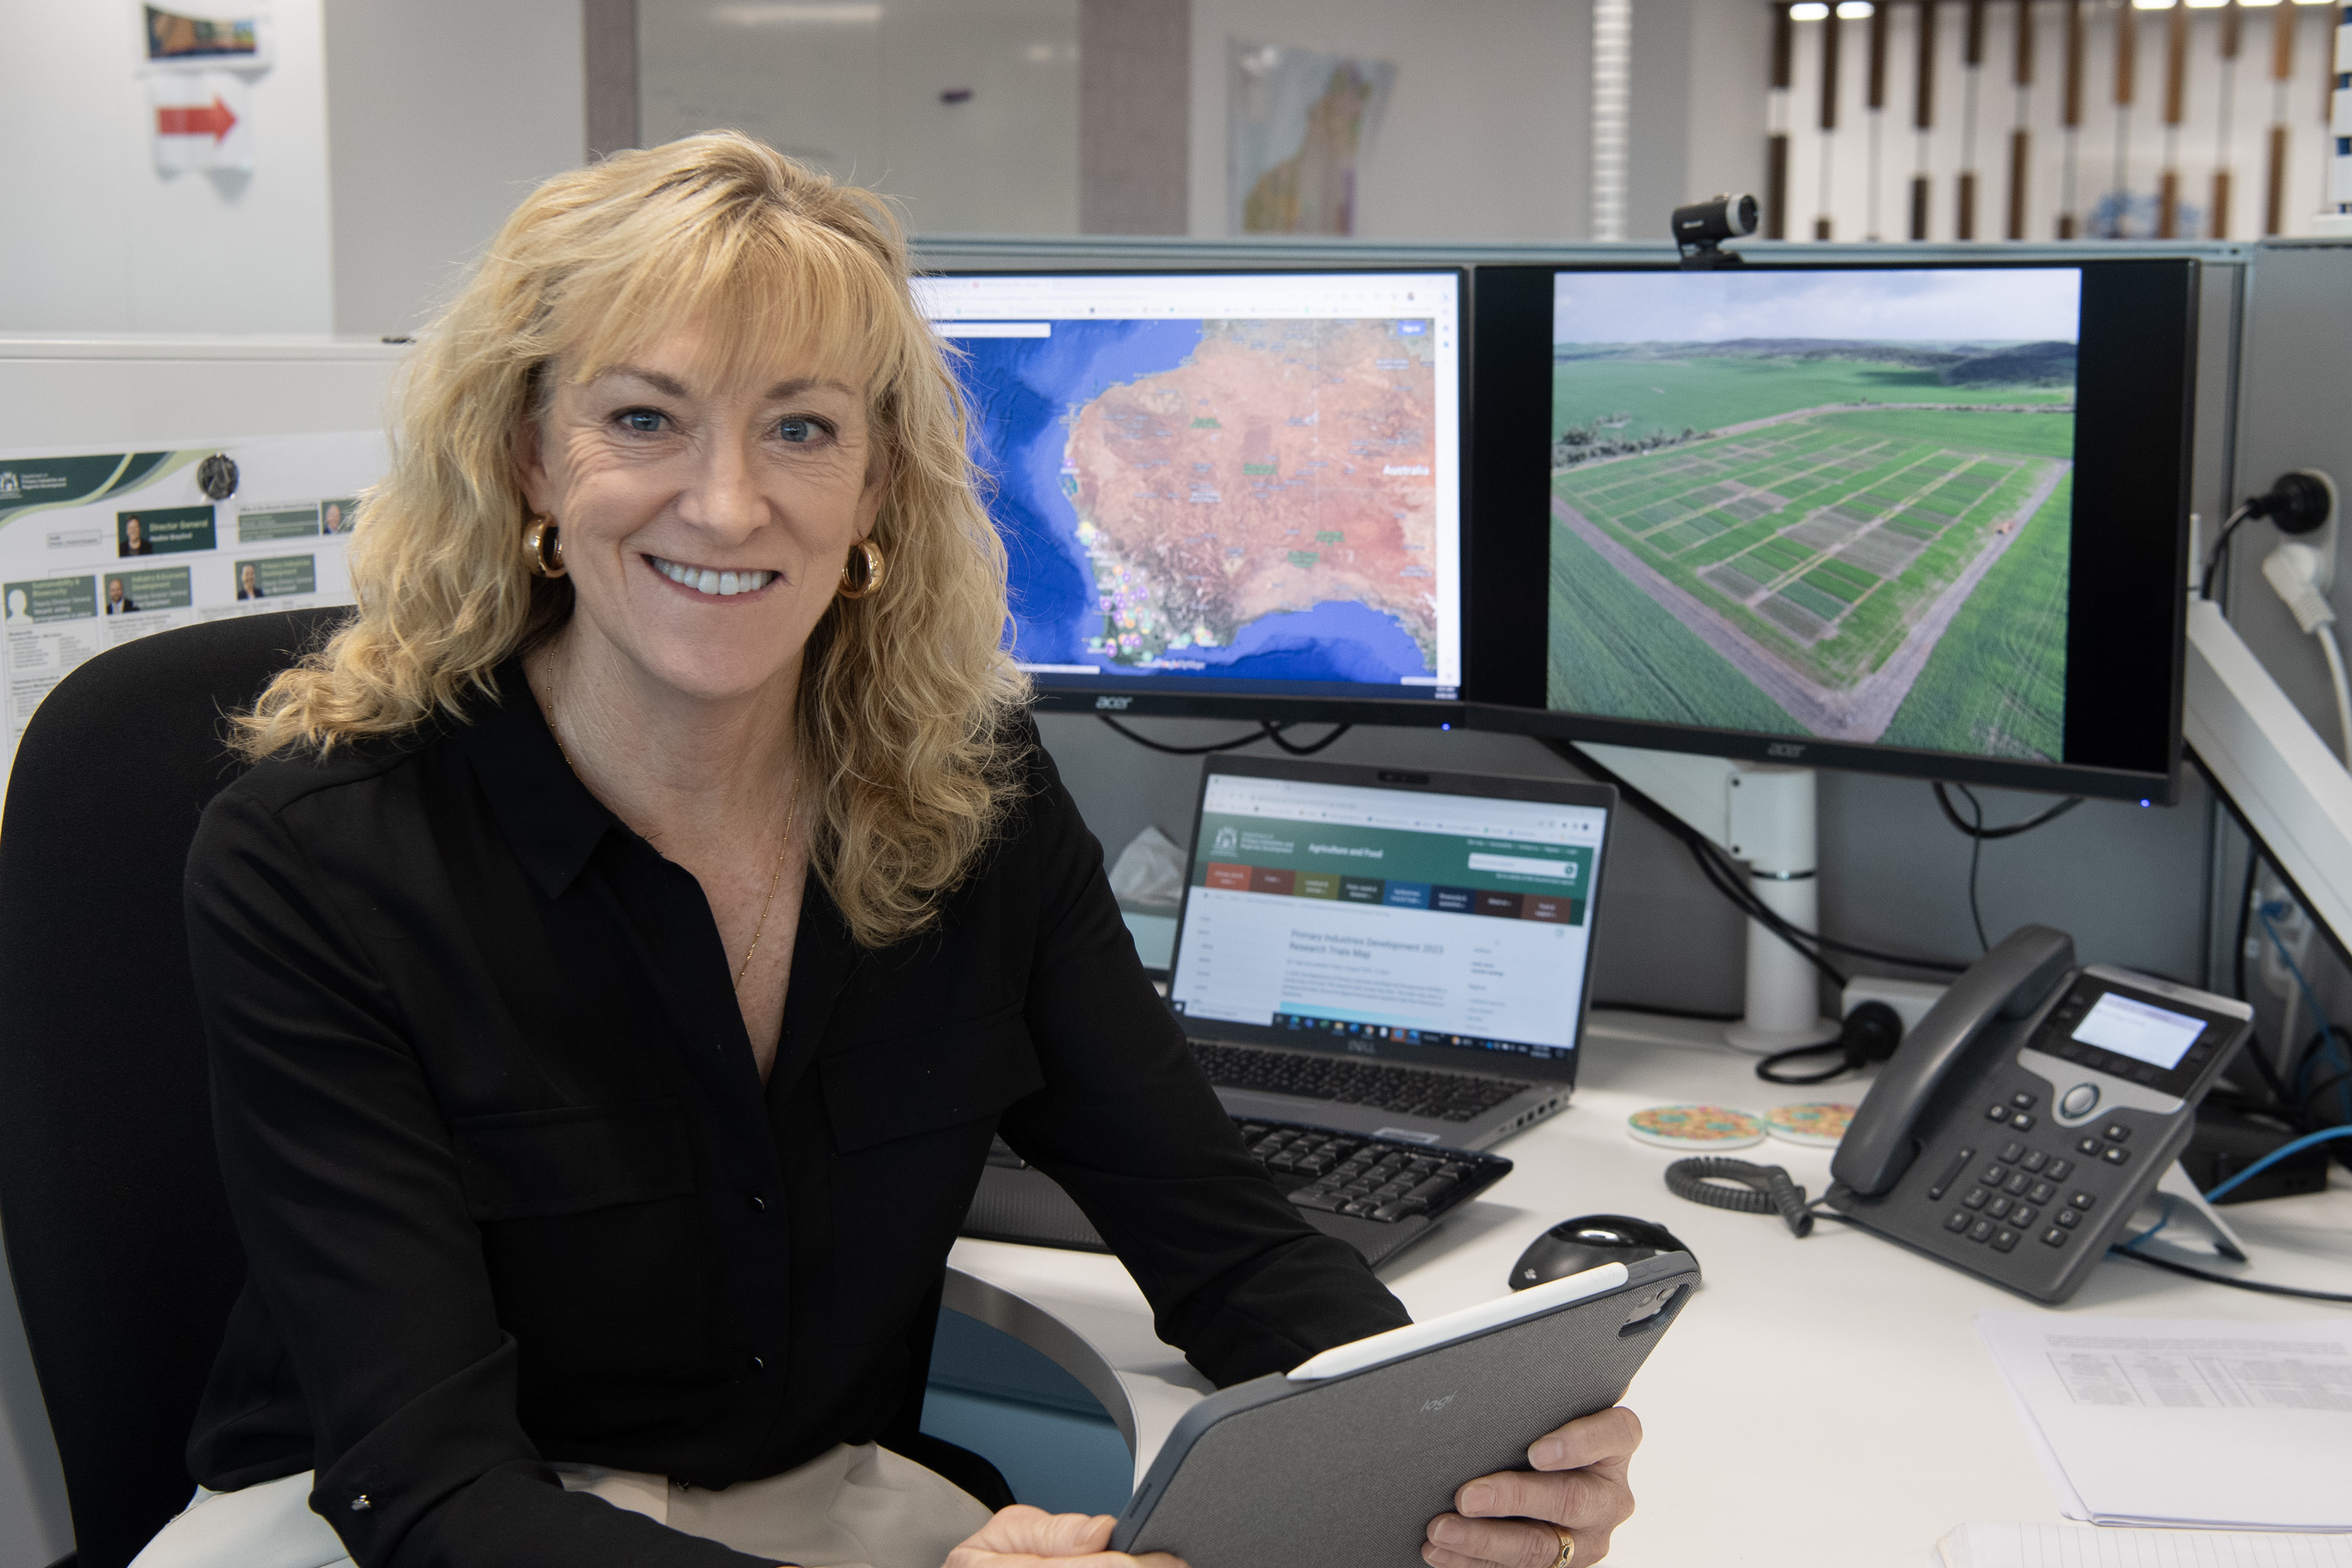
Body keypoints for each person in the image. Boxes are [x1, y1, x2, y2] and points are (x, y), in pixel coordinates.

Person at [146, 133, 1641, 1568]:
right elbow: (431, 1487)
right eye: (643, 418)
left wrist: (1452, 1454)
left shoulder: (964, 798)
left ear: (875, 491)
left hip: (804, 1506)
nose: (728, 503)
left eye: (801, 427)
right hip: (395, 1530)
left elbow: (1229, 1246)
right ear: (532, 461)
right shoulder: (323, 858)